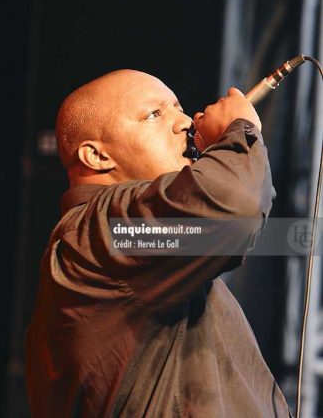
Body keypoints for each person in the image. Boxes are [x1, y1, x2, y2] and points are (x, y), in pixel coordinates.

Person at [25, 69, 292, 417]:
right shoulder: (101, 238)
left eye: (178, 108)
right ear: (97, 156)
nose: (184, 122)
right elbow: (236, 204)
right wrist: (238, 128)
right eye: (154, 114)